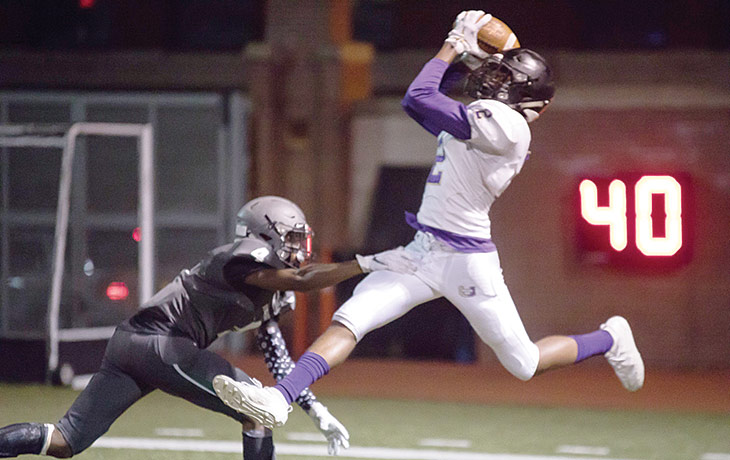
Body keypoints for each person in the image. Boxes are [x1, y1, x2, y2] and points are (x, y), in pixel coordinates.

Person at [211, 11, 645, 430]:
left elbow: (421, 96)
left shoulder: (510, 125)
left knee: (525, 363)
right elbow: (416, 103)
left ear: (526, 98)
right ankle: (279, 399)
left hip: (467, 261)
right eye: (495, 73)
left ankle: (608, 338)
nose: (492, 81)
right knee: (352, 318)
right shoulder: (485, 119)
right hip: (420, 253)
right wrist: (471, 57)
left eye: (504, 79)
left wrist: (452, 47)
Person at [0, 195, 413, 459]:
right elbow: (302, 280)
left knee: (65, 441)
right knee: (256, 413)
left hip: (129, 344)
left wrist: (316, 411)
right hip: (163, 343)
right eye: (290, 238)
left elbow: (278, 361)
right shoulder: (241, 259)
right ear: (264, 235)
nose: (298, 248)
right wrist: (364, 264)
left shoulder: (272, 287)